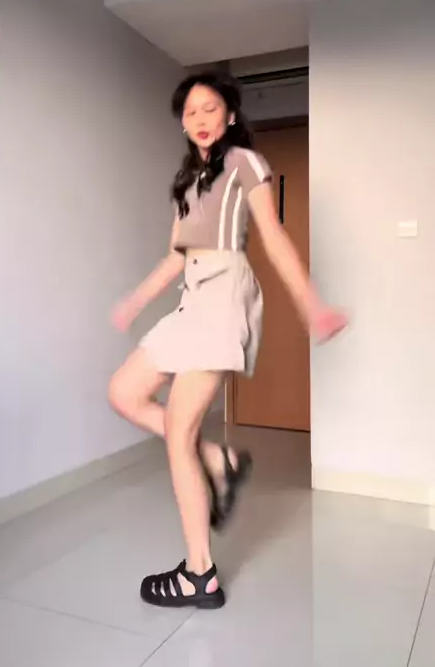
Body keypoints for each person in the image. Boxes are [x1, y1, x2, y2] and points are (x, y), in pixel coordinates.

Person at [108, 71, 348, 610]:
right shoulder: (186, 182)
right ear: (183, 121)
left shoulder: (244, 162)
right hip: (191, 300)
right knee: (124, 392)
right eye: (191, 111)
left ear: (230, 116)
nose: (200, 118)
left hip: (223, 297)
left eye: (210, 108)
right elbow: (174, 257)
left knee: (178, 433)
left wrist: (312, 305)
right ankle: (218, 460)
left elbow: (273, 236)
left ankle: (199, 573)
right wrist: (135, 301)